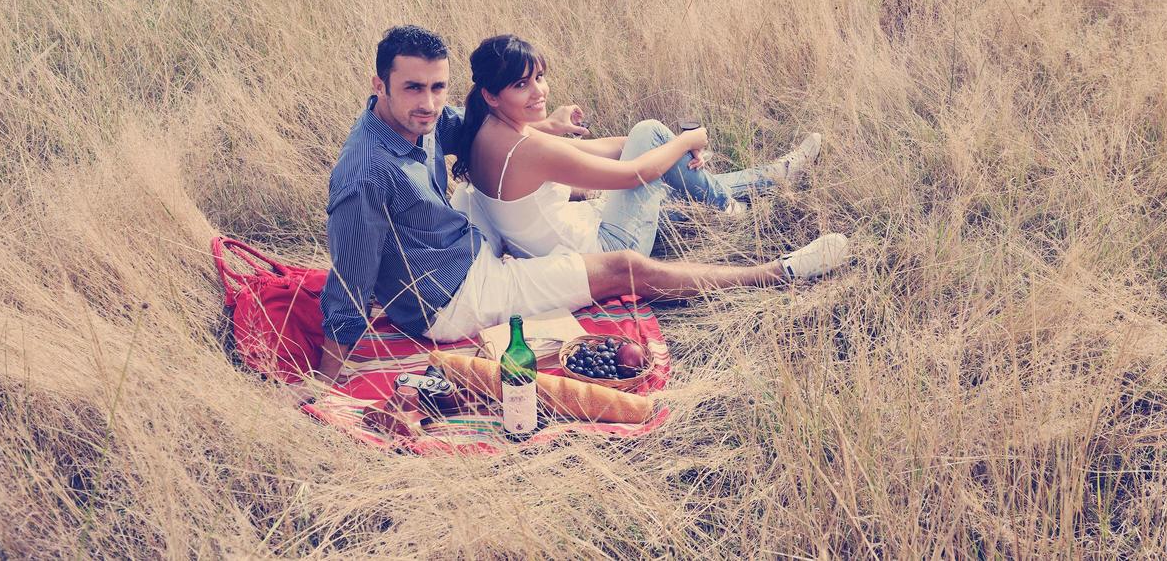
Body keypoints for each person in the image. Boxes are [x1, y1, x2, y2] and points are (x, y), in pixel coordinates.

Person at [317, 25, 849, 382]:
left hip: (468, 237)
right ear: (378, 85)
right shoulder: (364, 173)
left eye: (438, 87)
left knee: (639, 194)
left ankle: (761, 182)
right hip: (455, 296)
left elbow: (474, 125)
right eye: (414, 88)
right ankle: (780, 272)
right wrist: (323, 387)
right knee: (623, 267)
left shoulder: (428, 121)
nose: (430, 103)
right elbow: (347, 293)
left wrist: (543, 126)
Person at [449, 34, 822, 260]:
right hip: (607, 248)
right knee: (650, 132)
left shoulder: (486, 130)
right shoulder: (529, 150)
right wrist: (686, 141)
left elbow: (605, 150)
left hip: (574, 238)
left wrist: (664, 147)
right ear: (491, 95)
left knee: (671, 185)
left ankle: (769, 178)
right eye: (521, 85)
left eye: (540, 77)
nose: (539, 91)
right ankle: (731, 207)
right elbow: (634, 175)